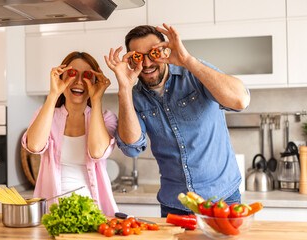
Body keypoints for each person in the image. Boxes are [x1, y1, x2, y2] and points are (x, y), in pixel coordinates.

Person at [105, 23, 250, 217]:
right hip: (176, 206)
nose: (147, 64)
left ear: (165, 51)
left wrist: (187, 60)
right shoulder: (134, 96)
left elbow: (240, 101)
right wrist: (124, 88)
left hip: (222, 199)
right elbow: (131, 148)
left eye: (153, 53)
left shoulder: (195, 74)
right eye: (138, 57)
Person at [21, 51, 118, 216]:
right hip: (52, 211)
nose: (79, 81)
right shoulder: (44, 114)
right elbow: (35, 146)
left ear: (95, 81)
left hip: (93, 210)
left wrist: (96, 100)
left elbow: (97, 153)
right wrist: (53, 94)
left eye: (87, 76)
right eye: (72, 74)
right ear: (61, 77)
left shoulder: (106, 118)